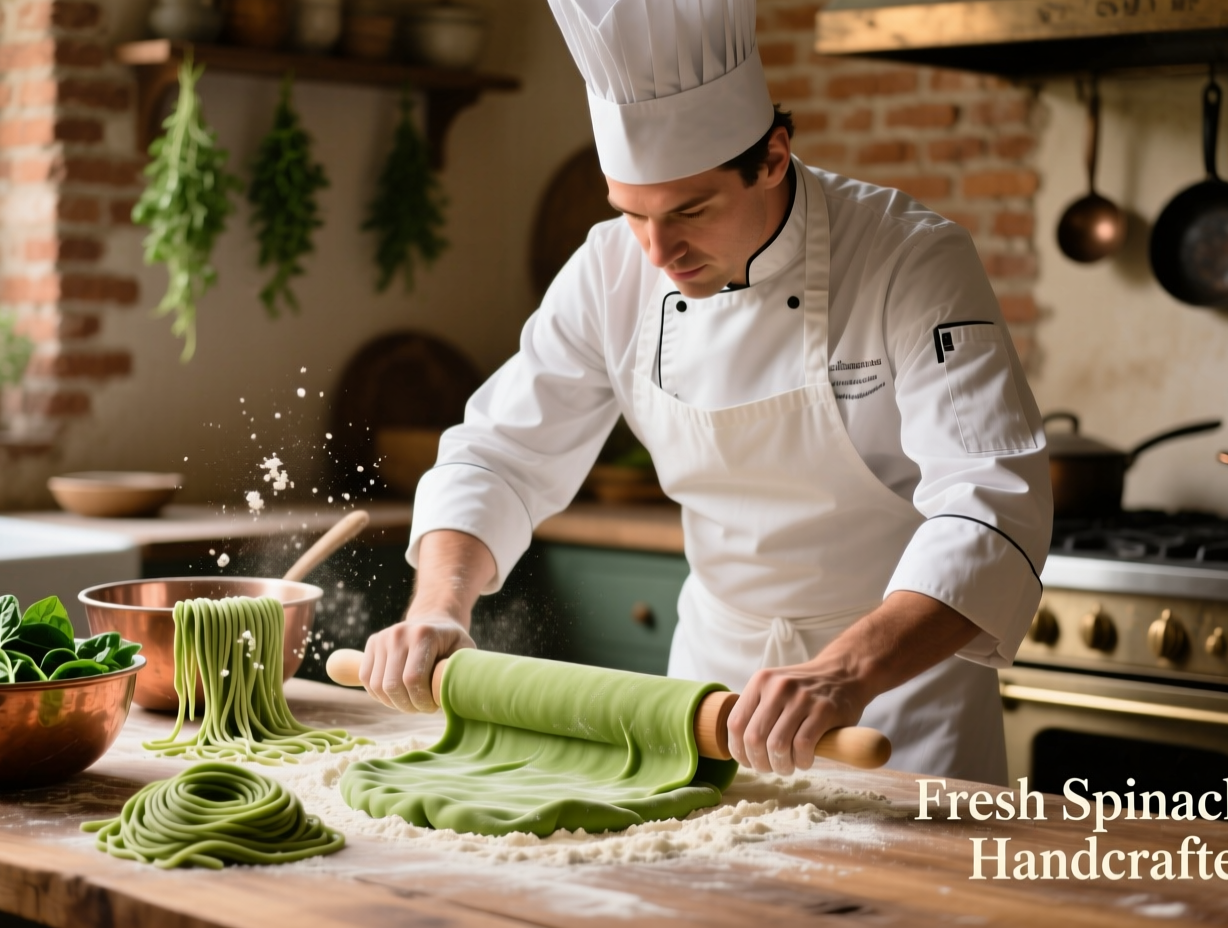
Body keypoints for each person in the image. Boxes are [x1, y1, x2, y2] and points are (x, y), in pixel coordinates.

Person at [354, 0, 1051, 784]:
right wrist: (438, 606)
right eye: (632, 214)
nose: (659, 252)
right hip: (708, 697)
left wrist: (847, 671)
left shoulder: (909, 261)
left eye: (691, 210)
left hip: (894, 697)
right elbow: (499, 455)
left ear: (774, 158)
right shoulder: (609, 271)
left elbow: (991, 501)